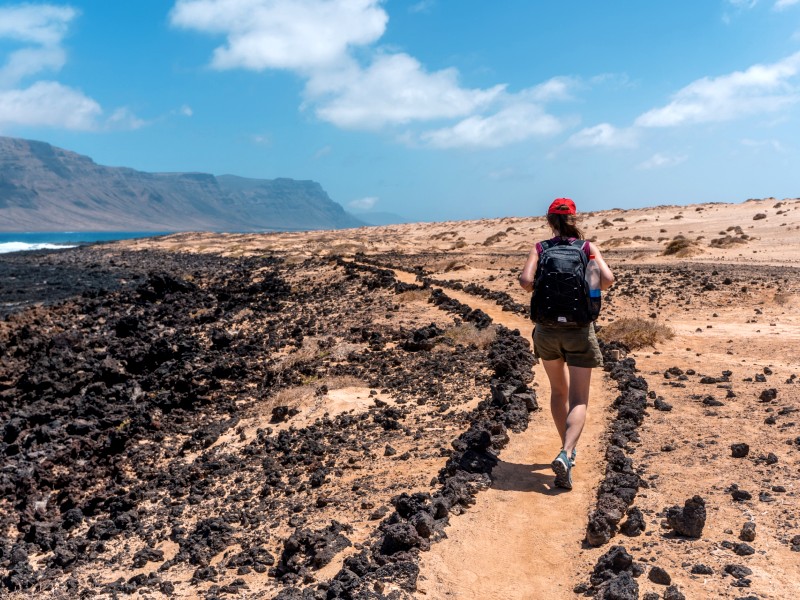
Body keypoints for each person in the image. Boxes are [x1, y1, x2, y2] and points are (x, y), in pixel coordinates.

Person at [518, 198, 614, 490]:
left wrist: (542, 284)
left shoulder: (541, 248)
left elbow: (525, 281)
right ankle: (567, 452)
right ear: (574, 219)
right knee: (579, 398)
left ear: (550, 221)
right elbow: (608, 279)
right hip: (579, 330)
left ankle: (565, 449)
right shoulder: (587, 248)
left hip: (546, 331)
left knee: (558, 392)